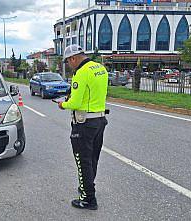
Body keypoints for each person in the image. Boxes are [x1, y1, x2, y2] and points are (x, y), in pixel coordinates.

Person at [57, 44, 108, 210]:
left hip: (84, 124)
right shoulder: (100, 68)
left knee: (82, 161)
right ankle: (87, 187)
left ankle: (88, 199)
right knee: (93, 158)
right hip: (99, 120)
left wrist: (63, 104)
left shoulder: (81, 73)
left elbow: (76, 102)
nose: (68, 65)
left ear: (73, 58)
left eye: (67, 61)